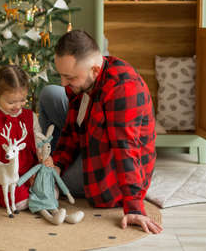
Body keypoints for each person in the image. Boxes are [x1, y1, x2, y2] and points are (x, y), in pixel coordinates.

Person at [39, 30, 163, 234]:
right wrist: (58, 162)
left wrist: (133, 205)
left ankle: (52, 180)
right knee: (49, 94)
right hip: (91, 136)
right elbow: (72, 125)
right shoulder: (86, 78)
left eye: (69, 77)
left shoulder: (123, 88)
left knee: (63, 182)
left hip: (109, 166)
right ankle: (49, 167)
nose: (63, 83)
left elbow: (126, 149)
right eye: (61, 75)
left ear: (95, 70)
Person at [0, 65, 41, 210]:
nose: (17, 106)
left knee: (49, 185)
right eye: (11, 102)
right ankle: (34, 200)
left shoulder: (31, 117)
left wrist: (42, 156)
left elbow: (38, 139)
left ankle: (37, 195)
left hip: (29, 170)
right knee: (18, 201)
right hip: (2, 174)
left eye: (22, 100)